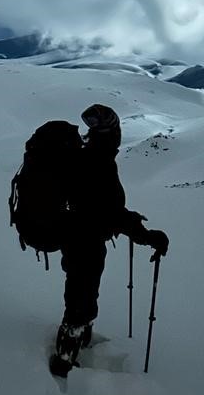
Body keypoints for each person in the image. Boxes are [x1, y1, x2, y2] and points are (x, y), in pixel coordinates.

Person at [49, 103, 169, 377]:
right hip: (86, 240)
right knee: (80, 296)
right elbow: (109, 212)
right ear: (113, 134)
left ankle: (80, 342)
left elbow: (101, 207)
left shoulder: (85, 156)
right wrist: (147, 236)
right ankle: (63, 363)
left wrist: (126, 218)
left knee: (81, 292)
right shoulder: (99, 163)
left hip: (74, 235)